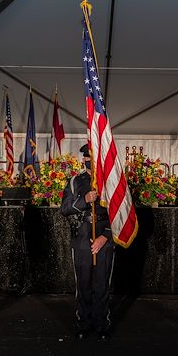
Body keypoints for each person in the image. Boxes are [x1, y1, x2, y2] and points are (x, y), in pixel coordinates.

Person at [60, 144, 114, 341]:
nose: (91, 161)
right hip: (82, 236)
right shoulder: (75, 181)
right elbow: (65, 208)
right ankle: (83, 323)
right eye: (88, 158)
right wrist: (84, 200)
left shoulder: (111, 181)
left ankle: (101, 325)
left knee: (101, 284)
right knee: (83, 284)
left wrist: (105, 236)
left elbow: (120, 214)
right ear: (83, 160)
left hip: (105, 237)